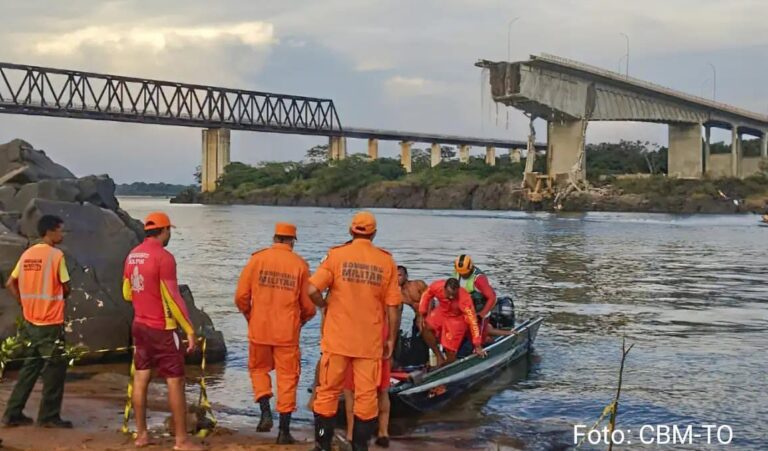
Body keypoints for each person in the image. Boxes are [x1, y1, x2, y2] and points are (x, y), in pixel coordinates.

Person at [308, 211, 401, 451]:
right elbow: (393, 306)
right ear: (374, 234)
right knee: (366, 399)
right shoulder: (386, 261)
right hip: (369, 343)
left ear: (351, 231)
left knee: (327, 395)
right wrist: (391, 338)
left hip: (337, 340)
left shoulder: (336, 256)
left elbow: (311, 290)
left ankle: (322, 444)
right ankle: (360, 447)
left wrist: (324, 305)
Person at [122, 212, 204, 451]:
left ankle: (142, 435)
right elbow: (173, 296)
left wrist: (144, 297)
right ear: (165, 230)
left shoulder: (133, 254)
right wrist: (189, 329)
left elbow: (126, 292)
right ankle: (181, 440)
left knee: (141, 379)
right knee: (175, 382)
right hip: (162, 328)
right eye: (169, 230)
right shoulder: (164, 257)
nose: (170, 235)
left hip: (139, 325)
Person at [234, 222, 316, 444]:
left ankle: (265, 412)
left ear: (274, 238)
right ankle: (283, 432)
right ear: (292, 241)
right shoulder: (300, 265)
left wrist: (251, 316)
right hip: (287, 333)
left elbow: (241, 297)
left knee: (258, 369)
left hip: (259, 328)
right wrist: (301, 321)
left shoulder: (257, 260)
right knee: (287, 378)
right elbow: (309, 306)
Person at [2, 215, 73, 428]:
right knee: (55, 368)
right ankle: (49, 416)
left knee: (30, 367)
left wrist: (23, 302)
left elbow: (10, 283)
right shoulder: (56, 256)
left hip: (31, 320)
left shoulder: (28, 254)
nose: (63, 234)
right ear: (50, 231)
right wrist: (62, 293)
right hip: (50, 321)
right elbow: (66, 286)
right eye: (61, 230)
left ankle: (13, 412)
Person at [342, 321, 391, 448]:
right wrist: (391, 338)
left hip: (352, 336)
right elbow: (393, 314)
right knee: (382, 390)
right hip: (378, 333)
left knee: (350, 391)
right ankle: (383, 433)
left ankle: (351, 433)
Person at [417, 278, 486, 367]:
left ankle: (449, 364)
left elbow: (473, 321)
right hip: (442, 311)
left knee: (450, 349)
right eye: (448, 294)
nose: (451, 297)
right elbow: (427, 294)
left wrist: (477, 345)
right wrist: (422, 313)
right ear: (444, 288)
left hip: (457, 318)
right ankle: (439, 356)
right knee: (426, 326)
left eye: (454, 295)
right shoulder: (437, 286)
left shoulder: (464, 299)